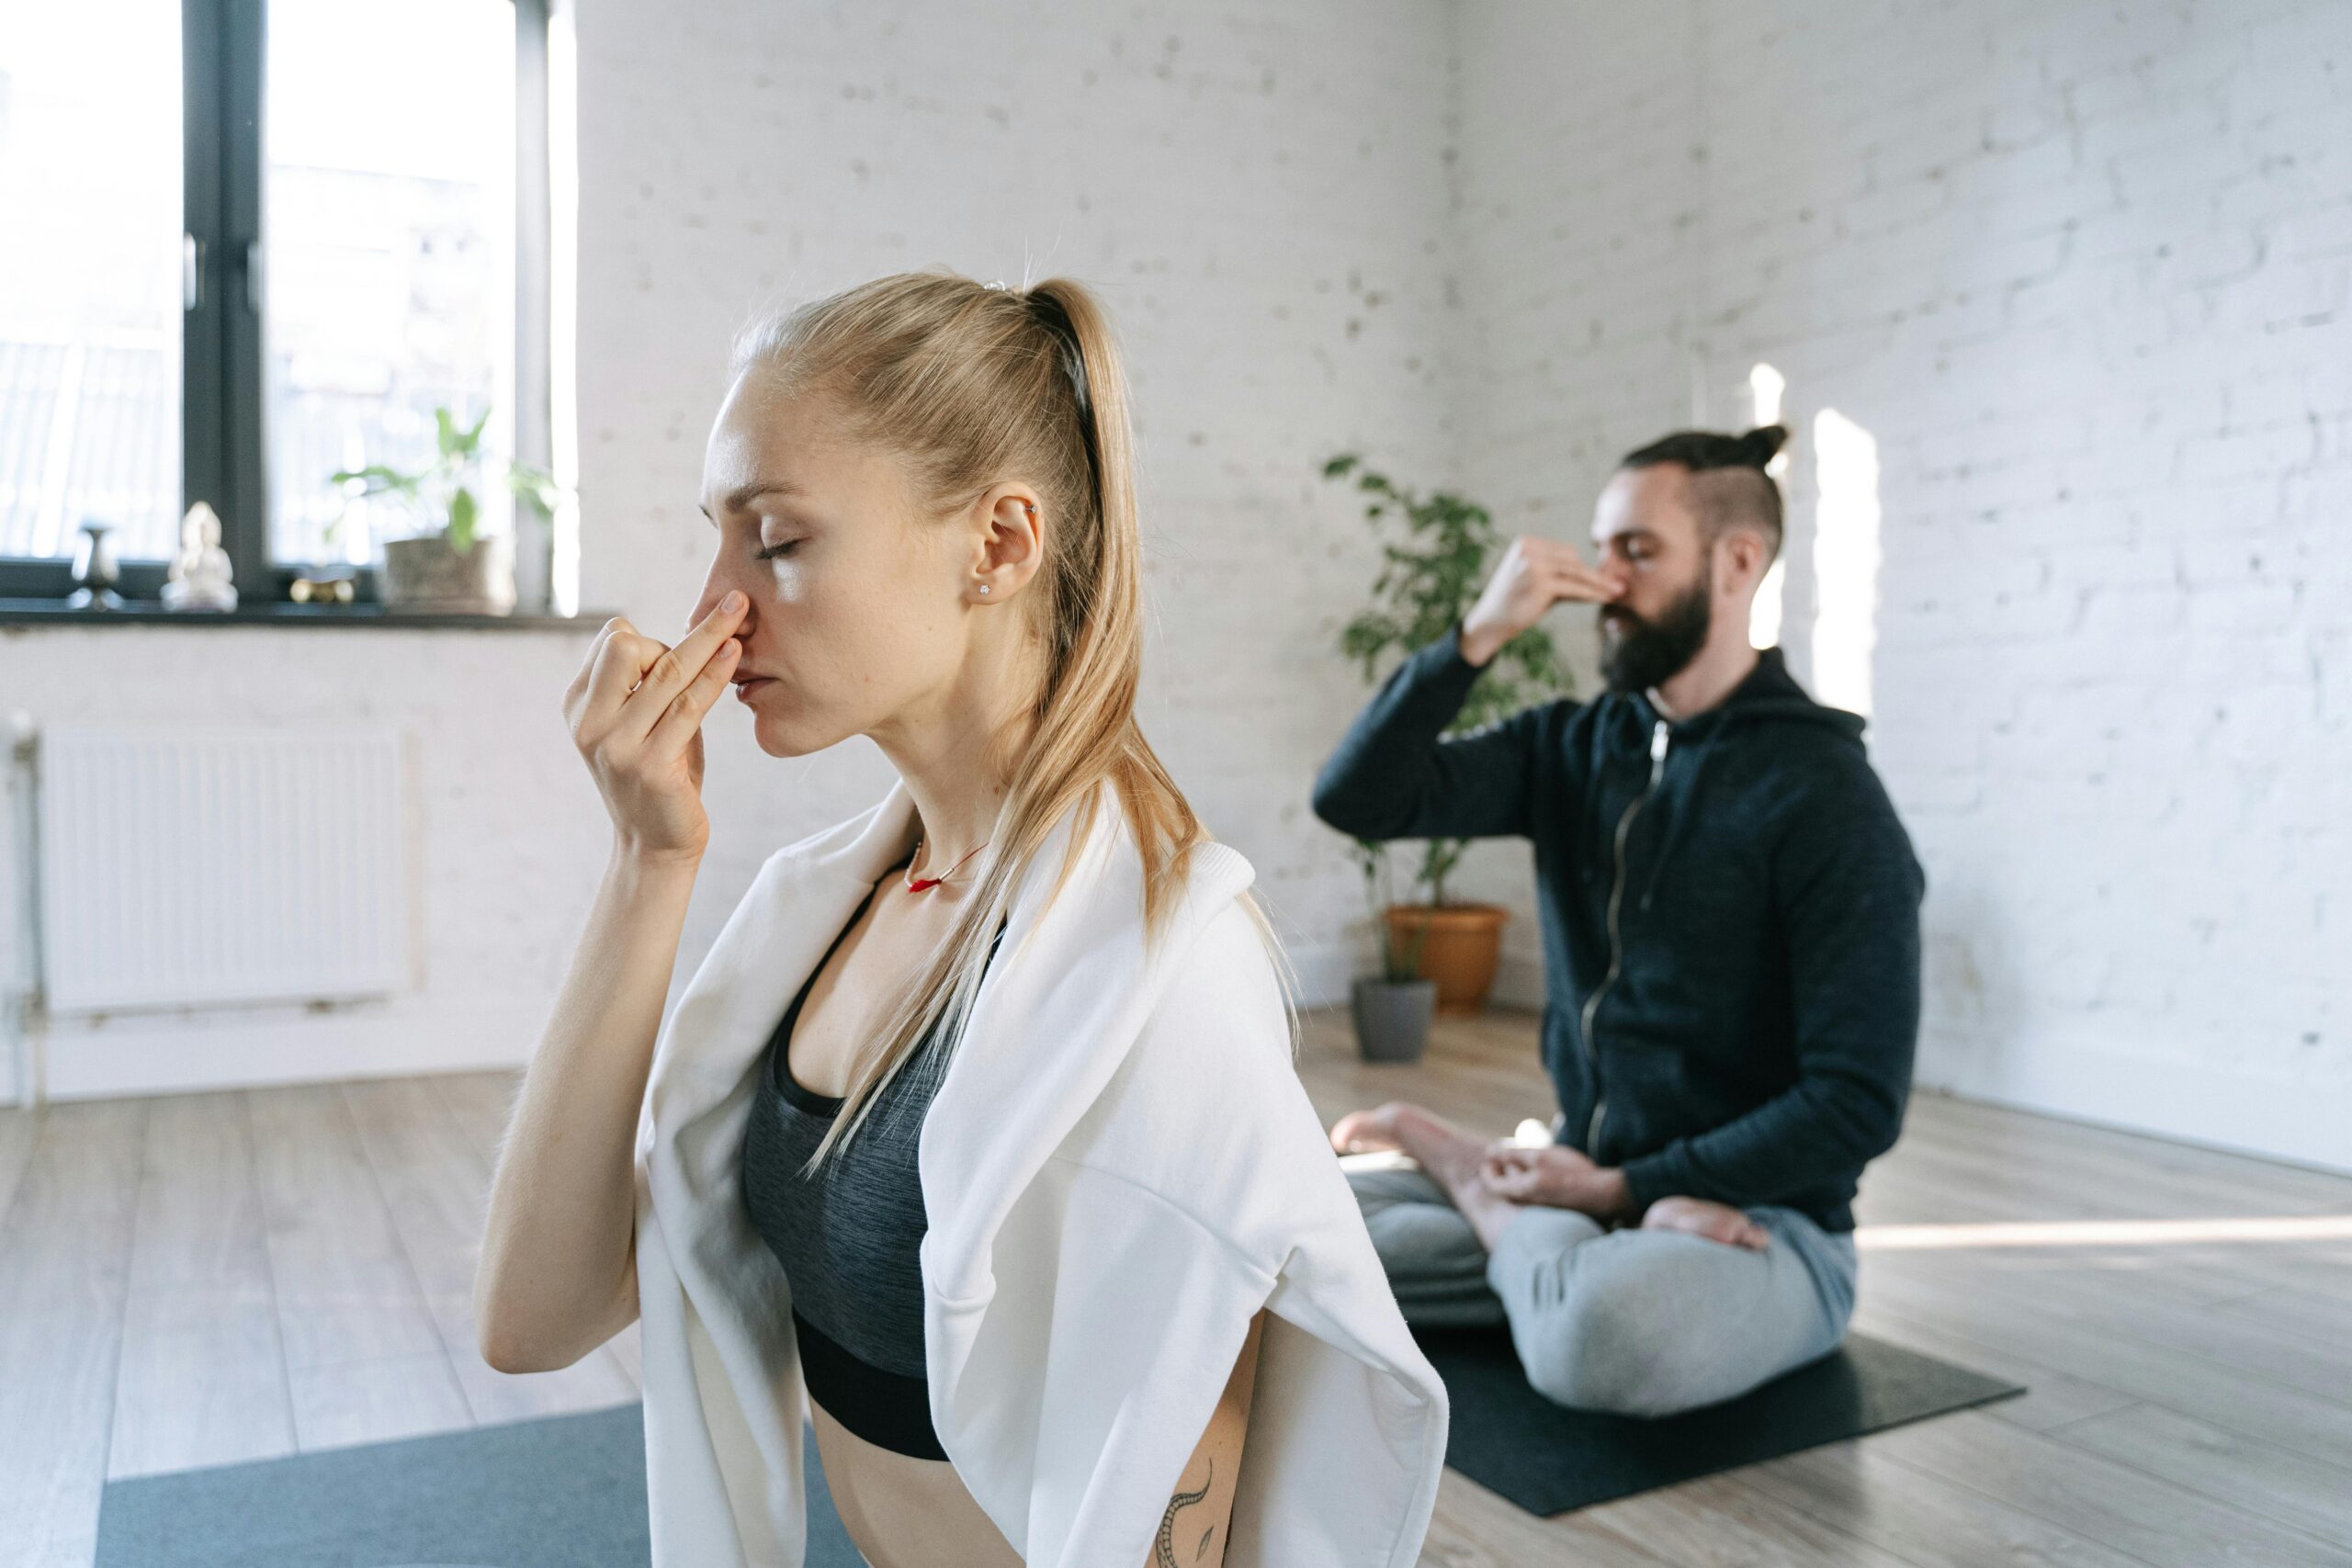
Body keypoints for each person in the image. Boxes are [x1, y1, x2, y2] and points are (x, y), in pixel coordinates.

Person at [473, 271, 1447, 1567]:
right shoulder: (832, 907)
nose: (715, 603)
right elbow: (533, 1316)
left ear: (997, 544)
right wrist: (650, 860)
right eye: (717, 534)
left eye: (778, 538)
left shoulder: (1164, 977)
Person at [1312, 423, 1924, 1419]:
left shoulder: (1827, 799)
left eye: (1636, 551)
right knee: (1277, 1230)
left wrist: (1622, 1188)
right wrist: (1476, 636)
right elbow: (1360, 799)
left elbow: (1854, 1104)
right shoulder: (1573, 745)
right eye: (1599, 548)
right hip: (1580, 1186)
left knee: (1600, 1340)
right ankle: (1533, 1239)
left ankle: (1473, 1182)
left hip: (1757, 1228)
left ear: (1737, 563)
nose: (1600, 580)